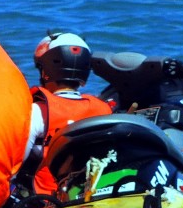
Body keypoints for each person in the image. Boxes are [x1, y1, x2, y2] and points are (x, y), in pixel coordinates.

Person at [19, 30, 113, 195]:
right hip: (94, 192)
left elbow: (15, 164)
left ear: (44, 70)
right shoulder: (103, 110)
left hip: (48, 200)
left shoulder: (38, 111)